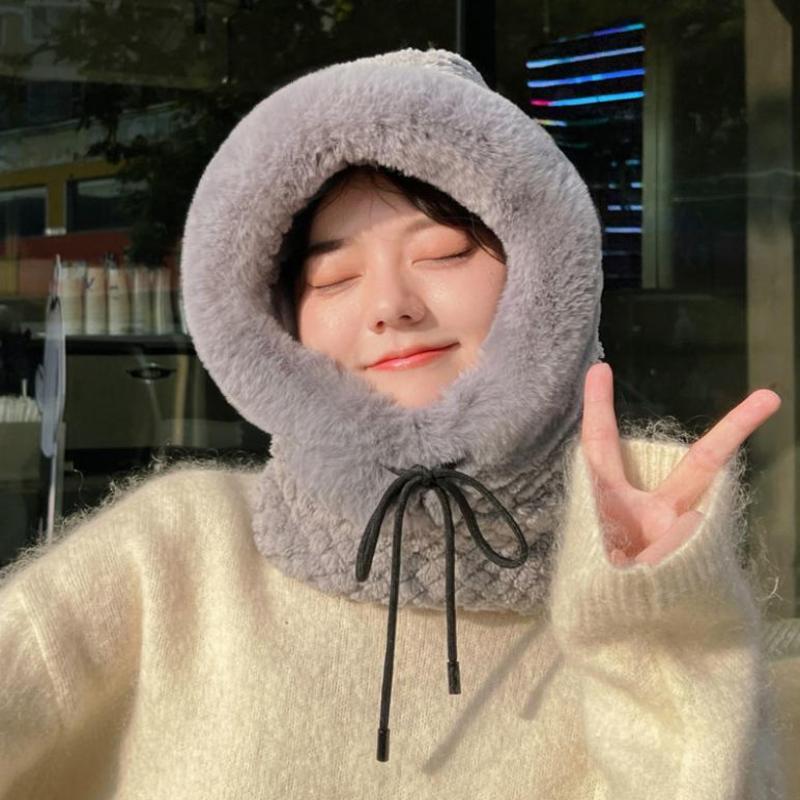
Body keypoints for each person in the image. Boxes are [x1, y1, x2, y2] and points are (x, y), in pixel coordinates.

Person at [1, 47, 799, 799]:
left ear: (543, 273)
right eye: (332, 276)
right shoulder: (175, 549)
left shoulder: (639, 567)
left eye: (444, 251)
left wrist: (652, 620)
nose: (390, 306)